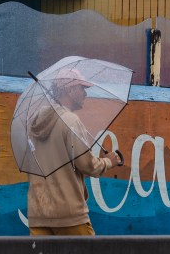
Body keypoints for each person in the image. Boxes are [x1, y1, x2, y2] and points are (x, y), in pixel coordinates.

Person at [26, 68, 123, 236]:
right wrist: (109, 161)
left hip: (38, 214)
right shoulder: (71, 120)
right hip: (68, 214)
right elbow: (88, 165)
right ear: (69, 90)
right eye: (82, 88)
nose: (85, 93)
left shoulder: (35, 121)